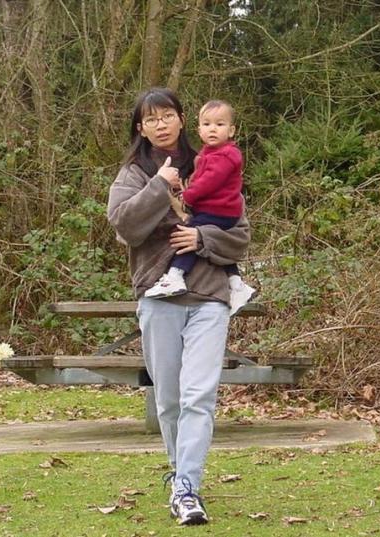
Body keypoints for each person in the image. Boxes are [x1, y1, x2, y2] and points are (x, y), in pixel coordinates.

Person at [107, 87, 250, 525]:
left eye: (167, 115)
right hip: (158, 295)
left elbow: (240, 233)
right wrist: (159, 186)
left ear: (183, 119)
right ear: (141, 128)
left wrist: (202, 239)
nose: (161, 124)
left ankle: (187, 486)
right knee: (169, 400)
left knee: (198, 396)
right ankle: (178, 475)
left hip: (209, 295)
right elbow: (124, 227)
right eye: (151, 119)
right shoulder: (132, 173)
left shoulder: (214, 158)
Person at [144, 99, 255, 315]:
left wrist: (188, 195)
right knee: (204, 241)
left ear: (231, 130)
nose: (212, 129)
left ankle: (176, 275)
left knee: (187, 234)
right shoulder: (208, 154)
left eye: (219, 124)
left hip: (220, 211)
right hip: (219, 209)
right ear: (199, 130)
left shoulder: (226, 155)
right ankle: (236, 284)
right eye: (207, 124)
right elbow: (200, 177)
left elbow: (209, 181)